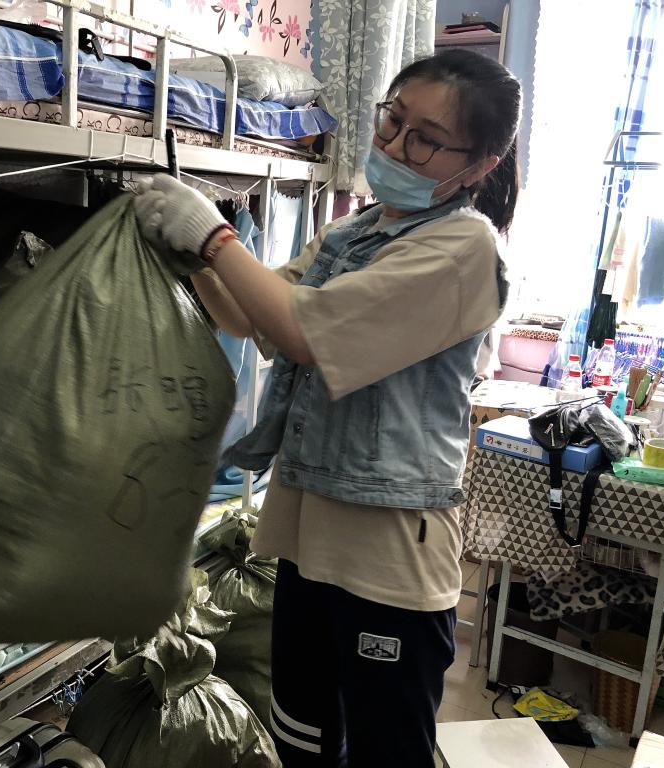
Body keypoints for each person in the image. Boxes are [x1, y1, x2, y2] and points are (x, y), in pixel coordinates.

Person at [135, 48, 521, 767]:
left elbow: (305, 333)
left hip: (388, 562)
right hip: (308, 541)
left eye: (426, 140)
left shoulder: (464, 249)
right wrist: (193, 258)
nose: (396, 147)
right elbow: (252, 314)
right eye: (392, 122)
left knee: (385, 755)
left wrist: (215, 237)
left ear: (479, 165)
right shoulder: (353, 233)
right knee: (304, 741)